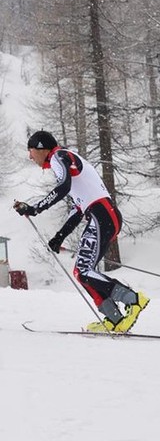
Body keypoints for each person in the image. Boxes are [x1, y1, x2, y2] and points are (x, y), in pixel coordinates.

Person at [14, 130, 149, 333]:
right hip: (103, 215)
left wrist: (35, 208)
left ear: (41, 148)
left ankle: (133, 300)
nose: (30, 156)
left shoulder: (58, 157)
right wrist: (59, 237)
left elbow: (63, 188)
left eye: (31, 151)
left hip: (101, 215)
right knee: (81, 272)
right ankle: (115, 318)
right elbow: (77, 209)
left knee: (84, 270)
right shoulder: (63, 161)